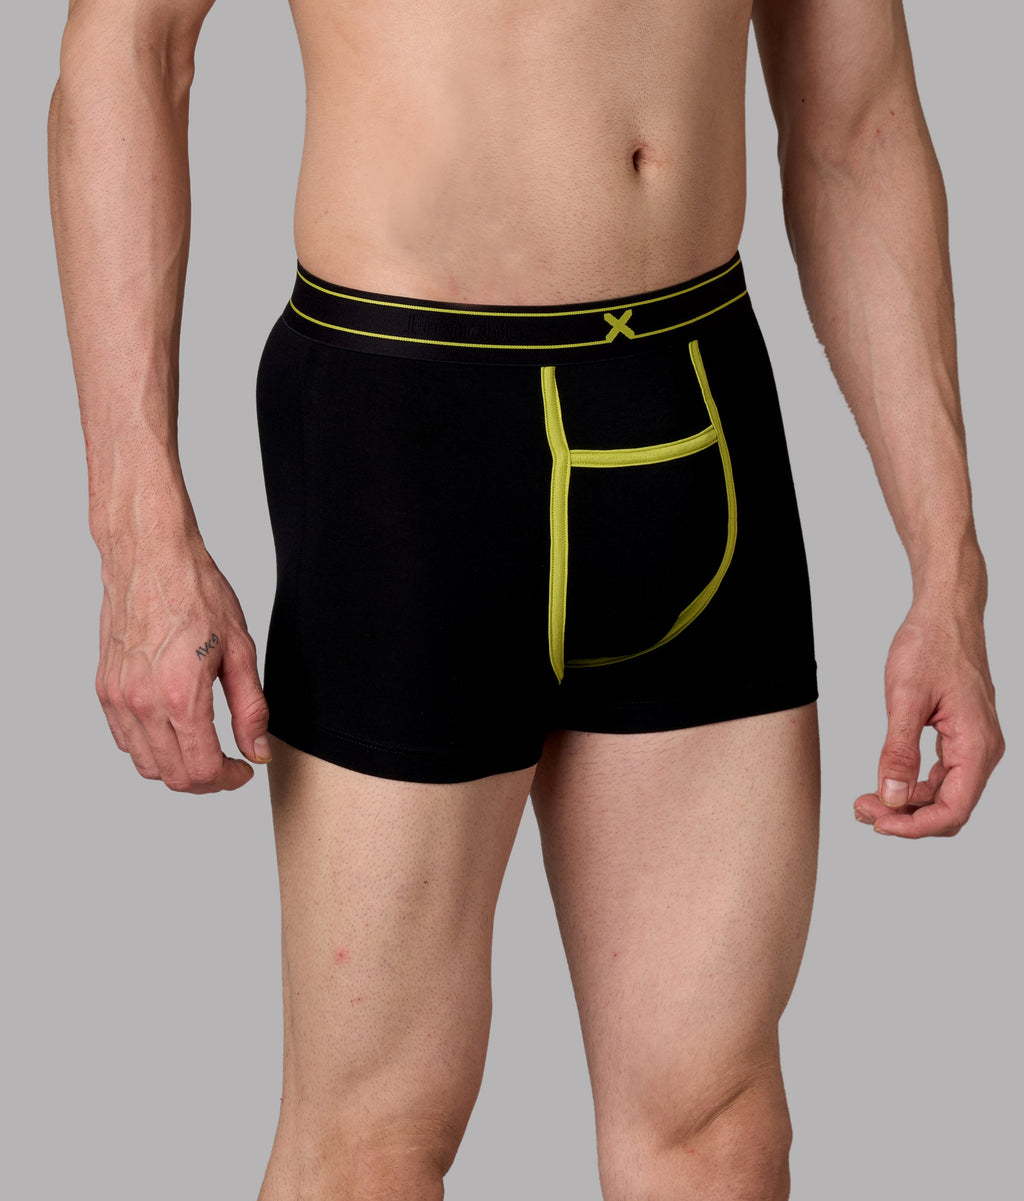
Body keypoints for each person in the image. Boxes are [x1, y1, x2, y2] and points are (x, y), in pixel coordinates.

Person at [48, 1, 1004, 1198]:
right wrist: (137, 538)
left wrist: (946, 572)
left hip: (696, 407)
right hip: (410, 427)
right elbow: (129, 48)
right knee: (368, 1146)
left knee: (715, 1132)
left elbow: (855, 127)